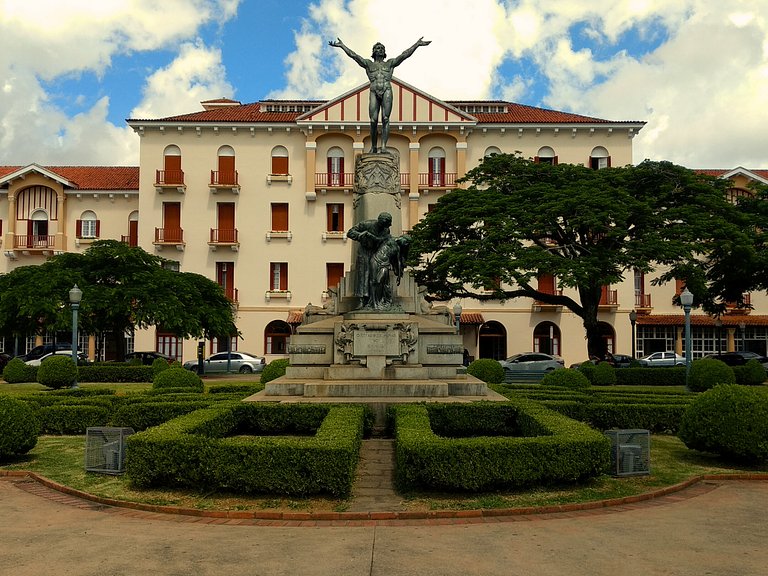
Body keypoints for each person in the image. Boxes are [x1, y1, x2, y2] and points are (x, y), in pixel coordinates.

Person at [329, 37, 431, 153]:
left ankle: (383, 147)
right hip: (373, 90)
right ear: (373, 51)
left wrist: (416, 44)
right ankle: (373, 146)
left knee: (386, 118)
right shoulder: (368, 64)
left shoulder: (390, 64)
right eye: (378, 48)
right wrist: (342, 46)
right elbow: (354, 56)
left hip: (387, 89)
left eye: (382, 48)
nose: (380, 49)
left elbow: (404, 55)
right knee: (373, 120)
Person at [346, 212, 393, 308]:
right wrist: (360, 236)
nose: (390, 225)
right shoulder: (366, 224)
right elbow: (350, 233)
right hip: (364, 252)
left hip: (376, 252)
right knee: (364, 275)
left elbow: (383, 240)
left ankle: (375, 299)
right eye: (388, 223)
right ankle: (362, 300)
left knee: (375, 277)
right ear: (382, 222)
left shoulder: (386, 230)